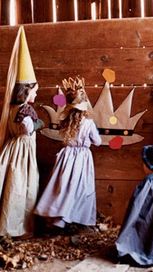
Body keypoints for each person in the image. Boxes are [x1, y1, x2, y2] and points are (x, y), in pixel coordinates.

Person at [34, 76, 102, 230]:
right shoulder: (89, 123)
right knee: (79, 188)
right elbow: (97, 142)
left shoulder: (65, 121)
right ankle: (72, 218)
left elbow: (62, 137)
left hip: (67, 156)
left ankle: (57, 218)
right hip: (82, 158)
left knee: (62, 187)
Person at [0, 27, 44, 238]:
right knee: (20, 186)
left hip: (12, 150)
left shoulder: (11, 108)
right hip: (21, 152)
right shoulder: (26, 110)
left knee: (12, 184)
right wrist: (39, 124)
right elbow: (26, 127)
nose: (35, 94)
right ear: (26, 90)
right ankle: (16, 227)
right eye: (34, 91)